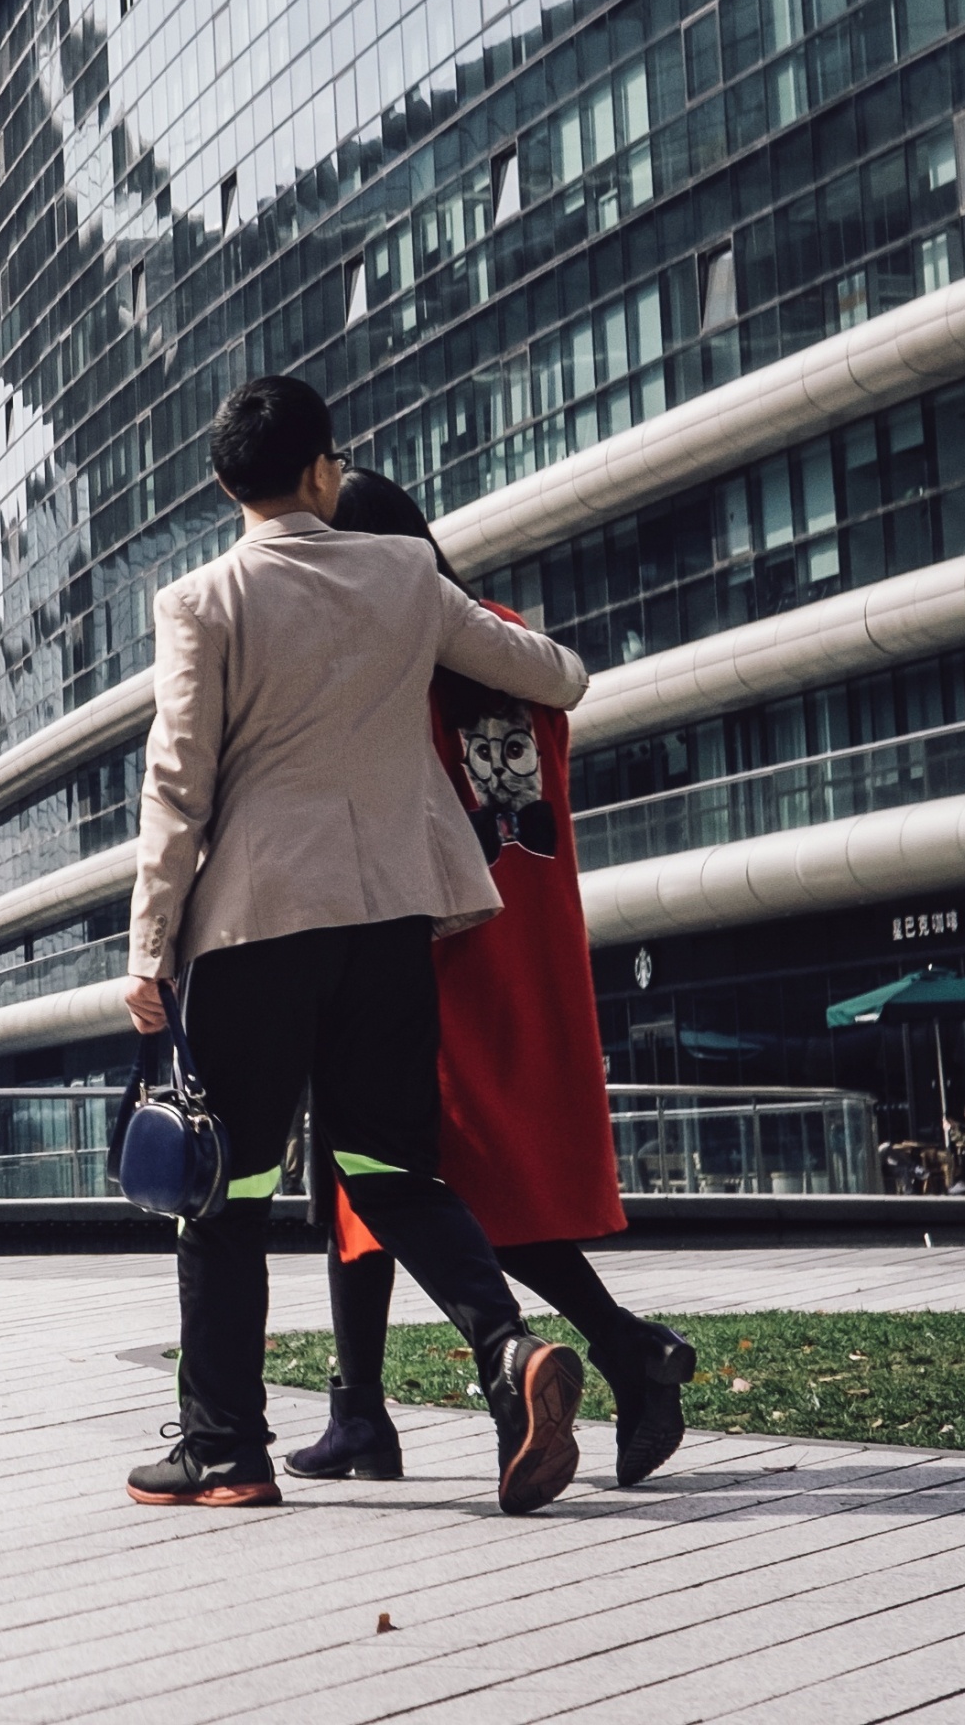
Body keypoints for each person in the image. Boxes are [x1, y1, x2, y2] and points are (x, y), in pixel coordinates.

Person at [122, 374, 591, 1517]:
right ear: (324, 469)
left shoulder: (202, 601)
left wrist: (148, 950)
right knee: (392, 1171)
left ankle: (225, 1449)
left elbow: (177, 786)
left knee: (226, 1192)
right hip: (388, 924)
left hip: (255, 928)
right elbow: (558, 677)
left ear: (226, 485)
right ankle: (508, 1356)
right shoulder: (405, 574)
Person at [285, 468, 695, 1494]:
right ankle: (360, 1413)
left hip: (431, 940)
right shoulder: (503, 640)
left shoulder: (399, 650)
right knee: (384, 1174)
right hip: (530, 936)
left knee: (415, 1175)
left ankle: (621, 1346)